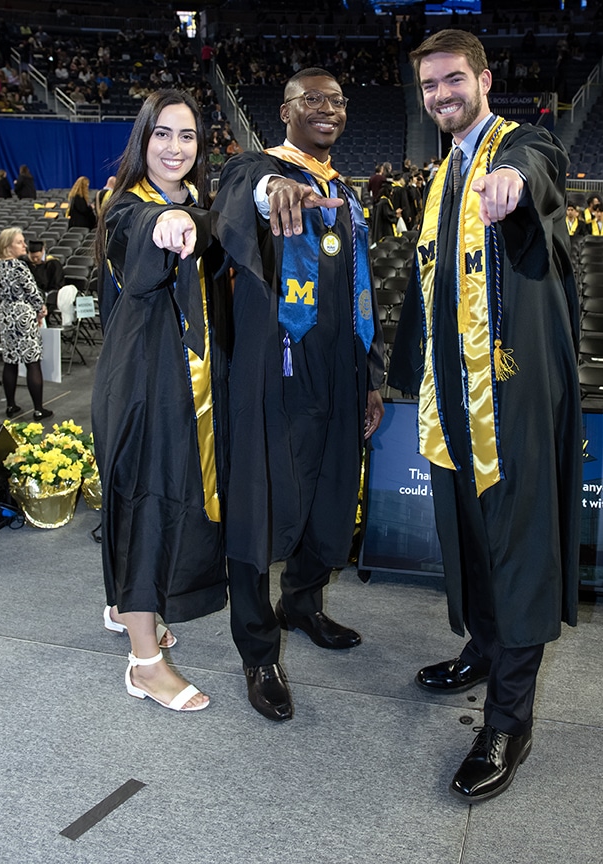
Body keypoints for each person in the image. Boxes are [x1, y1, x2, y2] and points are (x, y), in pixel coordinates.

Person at [389, 29, 581, 803]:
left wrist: (510, 180)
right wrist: (390, 381)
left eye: (452, 80)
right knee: (468, 539)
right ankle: (483, 645)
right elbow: (427, 286)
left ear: (483, 78)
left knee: (517, 548)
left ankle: (508, 719)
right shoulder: (438, 178)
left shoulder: (515, 143)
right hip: (453, 399)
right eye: (430, 85)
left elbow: (540, 165)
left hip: (511, 396)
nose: (441, 95)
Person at [211, 67, 385, 723]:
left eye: (338, 100)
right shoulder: (259, 169)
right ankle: (258, 650)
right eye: (313, 99)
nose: (329, 109)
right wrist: (269, 187)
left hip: (340, 369)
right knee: (260, 505)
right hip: (276, 369)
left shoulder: (344, 189)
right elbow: (238, 190)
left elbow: (359, 285)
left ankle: (303, 602)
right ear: (284, 110)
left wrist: (369, 377)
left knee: (332, 493)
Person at [92, 89, 230, 712]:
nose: (175, 148)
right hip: (146, 383)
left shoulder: (197, 202)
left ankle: (131, 605)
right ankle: (146, 664)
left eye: (188, 136)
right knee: (147, 499)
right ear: (142, 139)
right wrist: (167, 224)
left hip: (188, 380)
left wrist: (190, 217)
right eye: (162, 135)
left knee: (172, 497)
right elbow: (147, 235)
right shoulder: (128, 208)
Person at [0, 227, 53, 421]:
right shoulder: (19, 266)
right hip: (22, 313)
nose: (24, 245)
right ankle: (38, 409)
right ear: (8, 246)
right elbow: (32, 291)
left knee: (10, 361)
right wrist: (41, 309)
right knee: (32, 361)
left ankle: (11, 405)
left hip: (6, 313)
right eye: (20, 242)